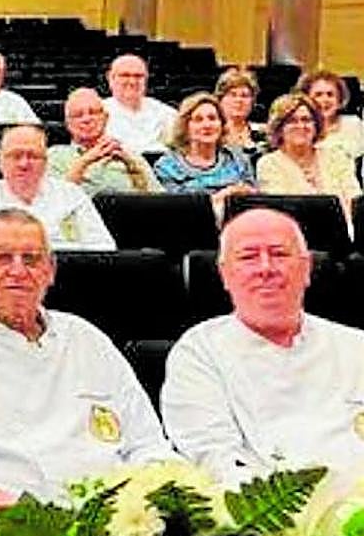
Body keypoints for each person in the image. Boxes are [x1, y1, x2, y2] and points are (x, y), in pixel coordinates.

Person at [0, 208, 175, 508]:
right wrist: (13, 513)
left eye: (31, 259)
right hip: (5, 525)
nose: (17, 270)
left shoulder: (87, 338)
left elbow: (147, 442)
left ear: (50, 270)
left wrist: (149, 499)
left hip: (115, 526)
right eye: (2, 257)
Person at [162, 208, 364, 485]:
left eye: (279, 254)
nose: (266, 268)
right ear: (225, 275)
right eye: (248, 257)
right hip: (266, 513)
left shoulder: (355, 346)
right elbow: (214, 458)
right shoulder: (200, 352)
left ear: (306, 269)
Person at [0, 124, 115, 251]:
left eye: (33, 156)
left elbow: (103, 248)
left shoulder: (72, 195)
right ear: (0, 162)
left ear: (46, 162)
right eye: (15, 155)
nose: (24, 164)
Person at [256, 92, 361, 218]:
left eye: (306, 120)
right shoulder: (269, 164)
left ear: (316, 125)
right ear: (279, 127)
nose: (301, 126)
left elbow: (355, 200)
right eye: (292, 121)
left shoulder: (336, 156)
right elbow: (281, 213)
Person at [153, 92, 256, 213]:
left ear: (222, 124)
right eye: (198, 120)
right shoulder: (167, 166)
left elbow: (253, 199)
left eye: (212, 118)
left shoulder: (238, 160)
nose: (207, 125)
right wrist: (223, 196)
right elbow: (174, 211)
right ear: (185, 127)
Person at [47, 87, 160, 195]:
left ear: (105, 118)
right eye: (78, 115)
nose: (86, 119)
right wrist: (85, 161)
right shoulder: (54, 156)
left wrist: (135, 169)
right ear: (68, 124)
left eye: (93, 112)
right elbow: (56, 202)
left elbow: (160, 202)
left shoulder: (131, 156)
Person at [102, 54, 176, 154]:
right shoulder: (98, 112)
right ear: (110, 78)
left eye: (138, 76)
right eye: (125, 75)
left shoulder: (165, 113)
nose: (132, 81)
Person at [295, 69, 364, 160]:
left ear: (340, 99)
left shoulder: (353, 124)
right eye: (318, 95)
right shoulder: (298, 126)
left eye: (330, 94)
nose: (325, 100)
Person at [214, 67, 267, 154]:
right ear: (220, 100)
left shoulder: (264, 133)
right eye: (233, 95)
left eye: (245, 95)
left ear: (253, 101)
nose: (239, 100)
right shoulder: (211, 132)